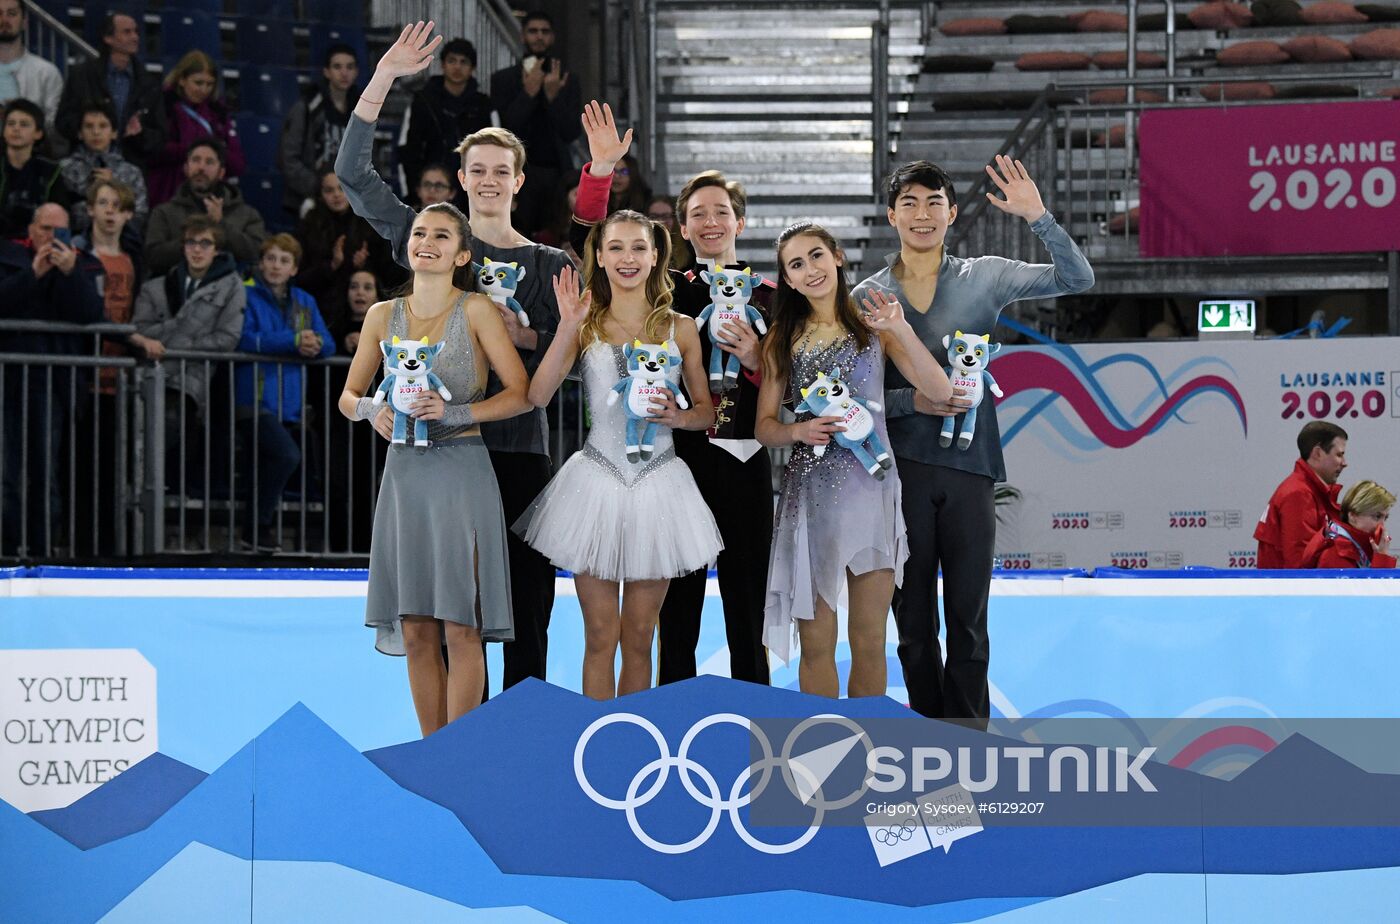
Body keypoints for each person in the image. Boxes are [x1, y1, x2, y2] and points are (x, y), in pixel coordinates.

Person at [337, 21, 571, 691]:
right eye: (478, 169)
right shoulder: (431, 239)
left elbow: (556, 370)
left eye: (503, 170)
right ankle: (451, 750)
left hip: (519, 452)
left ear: (519, 180)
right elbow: (352, 172)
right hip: (437, 462)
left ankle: (519, 750)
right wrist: (382, 77)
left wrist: (525, 338)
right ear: (460, 178)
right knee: (438, 620)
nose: (490, 180)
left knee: (526, 615)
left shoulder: (549, 263)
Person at [852, 157, 1094, 727]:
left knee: (968, 622)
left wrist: (1038, 216)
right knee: (912, 626)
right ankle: (926, 751)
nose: (922, 214)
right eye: (909, 203)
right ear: (891, 216)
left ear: (953, 213)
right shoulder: (866, 296)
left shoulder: (984, 275)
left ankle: (967, 753)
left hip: (971, 470)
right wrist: (916, 402)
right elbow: (855, 400)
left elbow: (1076, 279)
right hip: (901, 473)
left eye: (934, 202)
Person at [570, 101, 774, 686]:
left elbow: (794, 391)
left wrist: (758, 361)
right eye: (697, 214)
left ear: (740, 221)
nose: (711, 222)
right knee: (674, 617)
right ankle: (671, 730)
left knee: (747, 610)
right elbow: (593, 245)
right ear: (679, 229)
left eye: (722, 212)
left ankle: (753, 734)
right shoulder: (668, 294)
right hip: (679, 464)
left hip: (747, 462)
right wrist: (601, 172)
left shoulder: (773, 297)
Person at [338, 203, 532, 735]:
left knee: (461, 626)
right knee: (418, 631)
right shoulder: (381, 315)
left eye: (442, 235)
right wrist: (370, 409)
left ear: (462, 254)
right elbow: (348, 395)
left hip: (461, 475)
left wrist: (456, 411)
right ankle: (431, 753)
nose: (427, 241)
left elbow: (520, 395)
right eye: (420, 232)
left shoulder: (476, 310)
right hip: (404, 477)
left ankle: (461, 758)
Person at [518, 212, 721, 699]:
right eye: (616, 248)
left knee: (640, 636)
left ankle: (634, 745)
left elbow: (706, 412)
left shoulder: (683, 328)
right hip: (595, 485)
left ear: (656, 256)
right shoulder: (584, 323)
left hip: (661, 487)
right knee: (600, 636)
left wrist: (679, 414)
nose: (627, 258)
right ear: (600, 256)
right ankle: (597, 745)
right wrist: (566, 327)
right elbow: (537, 395)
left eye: (638, 248)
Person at [756, 222, 952, 698]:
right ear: (788, 279)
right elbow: (764, 425)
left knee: (869, 640)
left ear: (838, 257)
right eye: (796, 265)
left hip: (871, 496)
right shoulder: (783, 336)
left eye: (816, 256)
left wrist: (900, 328)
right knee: (816, 644)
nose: (810, 270)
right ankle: (817, 756)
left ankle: (868, 760)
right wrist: (798, 429)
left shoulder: (874, 325)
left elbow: (942, 391)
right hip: (810, 501)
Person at [0, 203, 103, 557]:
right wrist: (33, 274)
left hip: (53, 383)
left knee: (44, 472)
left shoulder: (84, 263)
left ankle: (42, 551)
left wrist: (71, 272)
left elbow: (91, 315)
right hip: (8, 378)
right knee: (7, 473)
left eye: (58, 232)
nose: (50, 238)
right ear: (30, 230)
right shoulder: (8, 257)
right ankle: (8, 548)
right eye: (44, 229)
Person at [130, 214, 246, 504]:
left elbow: (228, 338)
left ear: (217, 249)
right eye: (191, 242)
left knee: (174, 423)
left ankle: (162, 491)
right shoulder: (156, 286)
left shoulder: (231, 286)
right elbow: (139, 330)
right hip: (152, 374)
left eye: (205, 243)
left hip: (196, 379)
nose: (197, 249)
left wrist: (173, 342)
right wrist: (182, 333)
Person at [235, 234, 335, 547]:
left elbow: (328, 344)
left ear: (294, 268)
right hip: (252, 397)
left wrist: (315, 345)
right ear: (261, 263)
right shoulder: (245, 295)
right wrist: (293, 342)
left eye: (284, 260)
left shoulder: (305, 300)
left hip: (289, 401)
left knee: (268, 464)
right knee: (285, 455)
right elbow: (243, 339)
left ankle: (252, 534)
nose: (276, 266)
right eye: (271, 259)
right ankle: (258, 527)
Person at [489, 10, 581, 237]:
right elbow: (505, 130)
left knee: (558, 234)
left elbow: (571, 132)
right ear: (523, 36)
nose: (539, 37)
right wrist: (528, 94)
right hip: (519, 171)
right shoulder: (503, 79)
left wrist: (552, 98)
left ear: (552, 37)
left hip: (557, 173)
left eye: (544, 32)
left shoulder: (567, 79)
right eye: (533, 31)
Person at [295, 167, 402, 331]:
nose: (336, 195)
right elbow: (299, 278)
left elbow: (389, 277)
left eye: (342, 188)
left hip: (363, 315)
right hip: (321, 309)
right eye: (329, 190)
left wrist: (363, 267)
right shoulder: (309, 227)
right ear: (320, 195)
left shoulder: (371, 224)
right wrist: (332, 266)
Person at [145, 137, 266, 276]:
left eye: (209, 162)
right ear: (186, 168)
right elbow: (153, 256)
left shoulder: (247, 214)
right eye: (196, 160)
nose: (201, 167)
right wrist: (193, 240)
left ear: (221, 172)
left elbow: (256, 254)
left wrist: (221, 225)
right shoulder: (164, 212)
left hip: (228, 292)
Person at [55, 12, 162, 166]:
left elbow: (160, 135)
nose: (135, 37)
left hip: (130, 169)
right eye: (127, 32)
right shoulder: (81, 75)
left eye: (136, 32)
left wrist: (140, 134)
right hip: (85, 168)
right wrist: (87, 128)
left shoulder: (149, 83)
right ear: (108, 38)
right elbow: (63, 121)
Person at [397, 38, 496, 200]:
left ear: (472, 68)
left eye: (464, 62)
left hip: (469, 193)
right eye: (452, 61)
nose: (457, 67)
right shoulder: (423, 102)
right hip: (429, 191)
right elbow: (407, 151)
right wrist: (412, 194)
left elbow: (494, 152)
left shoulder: (484, 106)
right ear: (442, 65)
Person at [146, 51, 245, 207]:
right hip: (167, 193)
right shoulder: (162, 106)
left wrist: (211, 152)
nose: (204, 90)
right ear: (182, 80)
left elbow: (238, 164)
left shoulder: (218, 112)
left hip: (210, 197)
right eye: (198, 83)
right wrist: (200, 150)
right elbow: (153, 150)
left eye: (209, 84)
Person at [279, 43, 361, 217]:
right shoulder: (306, 108)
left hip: (351, 197)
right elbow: (288, 159)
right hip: (310, 195)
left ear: (356, 72)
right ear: (326, 72)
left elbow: (369, 157)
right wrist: (320, 188)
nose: (344, 73)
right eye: (337, 67)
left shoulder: (363, 111)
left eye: (350, 67)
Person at [1255, 421, 1348, 569]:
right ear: (1317, 453)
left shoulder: (1308, 490)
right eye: (1339, 455)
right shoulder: (1298, 494)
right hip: (1289, 590)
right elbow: (1300, 567)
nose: (1344, 463)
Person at [58, 102, 148, 234]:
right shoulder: (64, 169)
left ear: (114, 133)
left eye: (103, 126)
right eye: (89, 126)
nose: (96, 132)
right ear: (80, 133)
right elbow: (58, 215)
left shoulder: (131, 173)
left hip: (121, 242)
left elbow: (140, 216)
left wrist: (115, 188)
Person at [1, 98, 68, 239]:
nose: (16, 128)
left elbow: (60, 219)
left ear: (38, 133)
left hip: (33, 248)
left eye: (24, 124)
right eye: (11, 124)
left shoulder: (51, 172)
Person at [0, 0, 62, 134]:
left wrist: (25, 118)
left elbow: (52, 124)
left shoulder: (47, 72)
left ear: (24, 22)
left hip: (30, 151)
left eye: (12, 14)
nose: (4, 20)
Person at [1304, 480, 1395, 569]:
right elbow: (1376, 584)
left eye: (1385, 518)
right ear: (1352, 516)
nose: (1382, 525)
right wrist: (1382, 559)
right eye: (1377, 516)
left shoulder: (1363, 548)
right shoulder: (1337, 552)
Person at [645, 192, 692, 272]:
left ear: (675, 219)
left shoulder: (688, 246)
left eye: (666, 216)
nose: (660, 221)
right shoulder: (640, 247)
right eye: (654, 216)